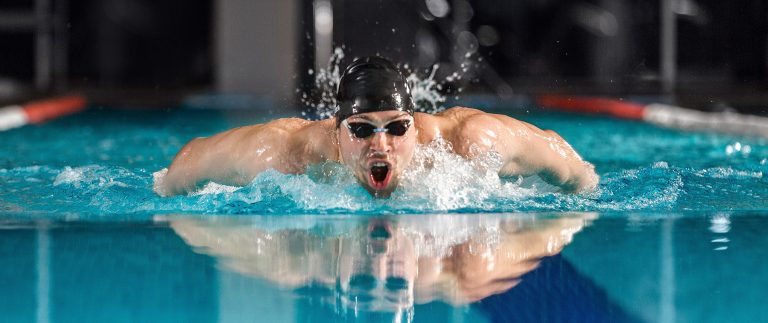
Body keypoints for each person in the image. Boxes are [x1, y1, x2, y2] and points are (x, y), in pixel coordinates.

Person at [154, 56, 598, 197]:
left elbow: (572, 167)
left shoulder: (468, 143)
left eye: (396, 128)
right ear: (336, 131)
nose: (380, 145)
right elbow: (187, 162)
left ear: (415, 126)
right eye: (362, 130)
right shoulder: (286, 152)